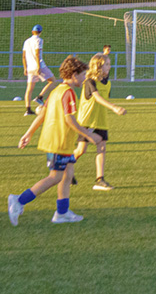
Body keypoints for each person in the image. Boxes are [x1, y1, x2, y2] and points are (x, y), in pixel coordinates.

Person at [8, 56, 103, 226]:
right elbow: (69, 120)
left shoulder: (56, 91)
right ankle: (19, 200)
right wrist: (89, 136)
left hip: (58, 141)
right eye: (82, 75)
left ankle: (62, 212)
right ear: (73, 75)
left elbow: (42, 114)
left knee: (68, 175)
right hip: (58, 142)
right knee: (55, 177)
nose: (84, 78)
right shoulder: (68, 93)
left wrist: (28, 133)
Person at [73, 53, 127, 191]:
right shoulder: (89, 81)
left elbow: (103, 99)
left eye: (109, 64)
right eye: (106, 64)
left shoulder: (107, 83)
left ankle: (99, 179)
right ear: (98, 66)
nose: (109, 67)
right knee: (81, 151)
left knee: (102, 148)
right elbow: (97, 98)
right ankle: (65, 169)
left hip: (101, 120)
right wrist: (114, 107)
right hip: (87, 121)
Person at [22, 25, 57, 117]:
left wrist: (25, 67)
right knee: (53, 80)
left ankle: (28, 109)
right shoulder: (39, 40)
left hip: (30, 67)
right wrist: (38, 66)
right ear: (40, 32)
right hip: (39, 66)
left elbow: (23, 56)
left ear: (32, 31)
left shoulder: (26, 41)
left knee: (29, 88)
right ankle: (40, 97)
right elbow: (37, 53)